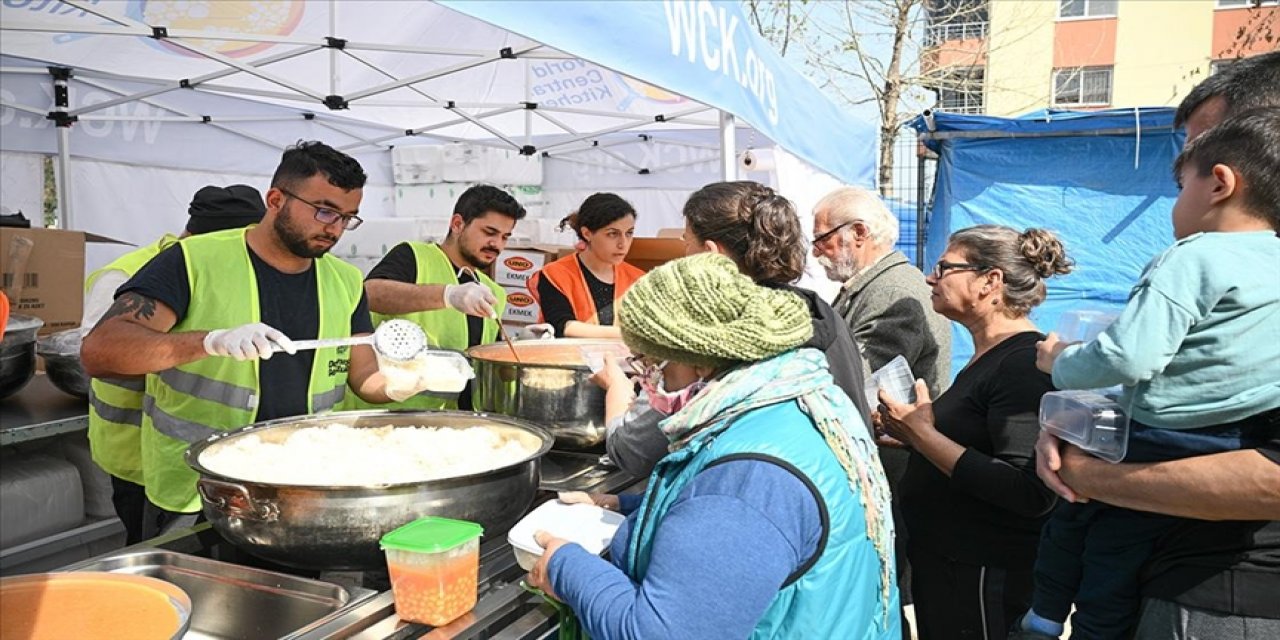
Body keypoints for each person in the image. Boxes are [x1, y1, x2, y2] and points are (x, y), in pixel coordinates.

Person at [526, 252, 900, 639]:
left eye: (654, 364)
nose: (650, 381)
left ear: (700, 362)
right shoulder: (798, 396)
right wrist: (627, 506)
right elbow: (757, 528)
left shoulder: (748, 483)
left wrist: (565, 566)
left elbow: (659, 632)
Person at [1035, 51, 1280, 639]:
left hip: (1224, 594)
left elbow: (1130, 358)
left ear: (1222, 180)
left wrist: (1066, 376)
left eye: (1182, 174)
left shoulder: (1192, 255)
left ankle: (1049, 617)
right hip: (1206, 527)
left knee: (1092, 539)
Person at [81, 141, 434, 525]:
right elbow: (101, 352)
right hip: (202, 491)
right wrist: (209, 341)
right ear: (276, 198)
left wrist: (399, 384)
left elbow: (363, 374)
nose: (334, 229)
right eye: (324, 211)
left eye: (347, 217)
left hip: (301, 485)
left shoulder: (346, 281)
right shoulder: (195, 260)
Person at [590, 180, 874, 479]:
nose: (682, 255)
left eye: (687, 243)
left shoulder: (722, 338)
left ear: (711, 256)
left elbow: (633, 452)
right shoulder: (817, 311)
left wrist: (617, 389)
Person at [877, 225, 1071, 640]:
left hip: (983, 577)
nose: (931, 277)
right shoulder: (987, 358)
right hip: (950, 568)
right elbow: (971, 449)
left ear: (990, 281)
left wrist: (925, 437)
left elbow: (1030, 491)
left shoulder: (1022, 365)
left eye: (945, 267)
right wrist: (913, 436)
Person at [83, 184, 266, 544]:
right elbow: (96, 355)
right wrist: (197, 345)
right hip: (132, 445)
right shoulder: (126, 274)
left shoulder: (231, 274)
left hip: (195, 451)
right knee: (147, 545)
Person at [349, 185, 526, 410]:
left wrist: (523, 347)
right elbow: (371, 293)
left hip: (450, 423)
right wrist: (447, 295)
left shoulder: (493, 292)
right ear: (457, 224)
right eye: (489, 232)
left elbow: (489, 365)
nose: (497, 245)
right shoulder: (414, 256)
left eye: (505, 237)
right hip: (391, 415)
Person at [529, 193, 644, 340]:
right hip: (569, 359)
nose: (623, 243)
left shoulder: (638, 279)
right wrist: (628, 335)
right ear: (587, 233)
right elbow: (561, 326)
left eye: (629, 233)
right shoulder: (555, 274)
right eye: (612, 234)